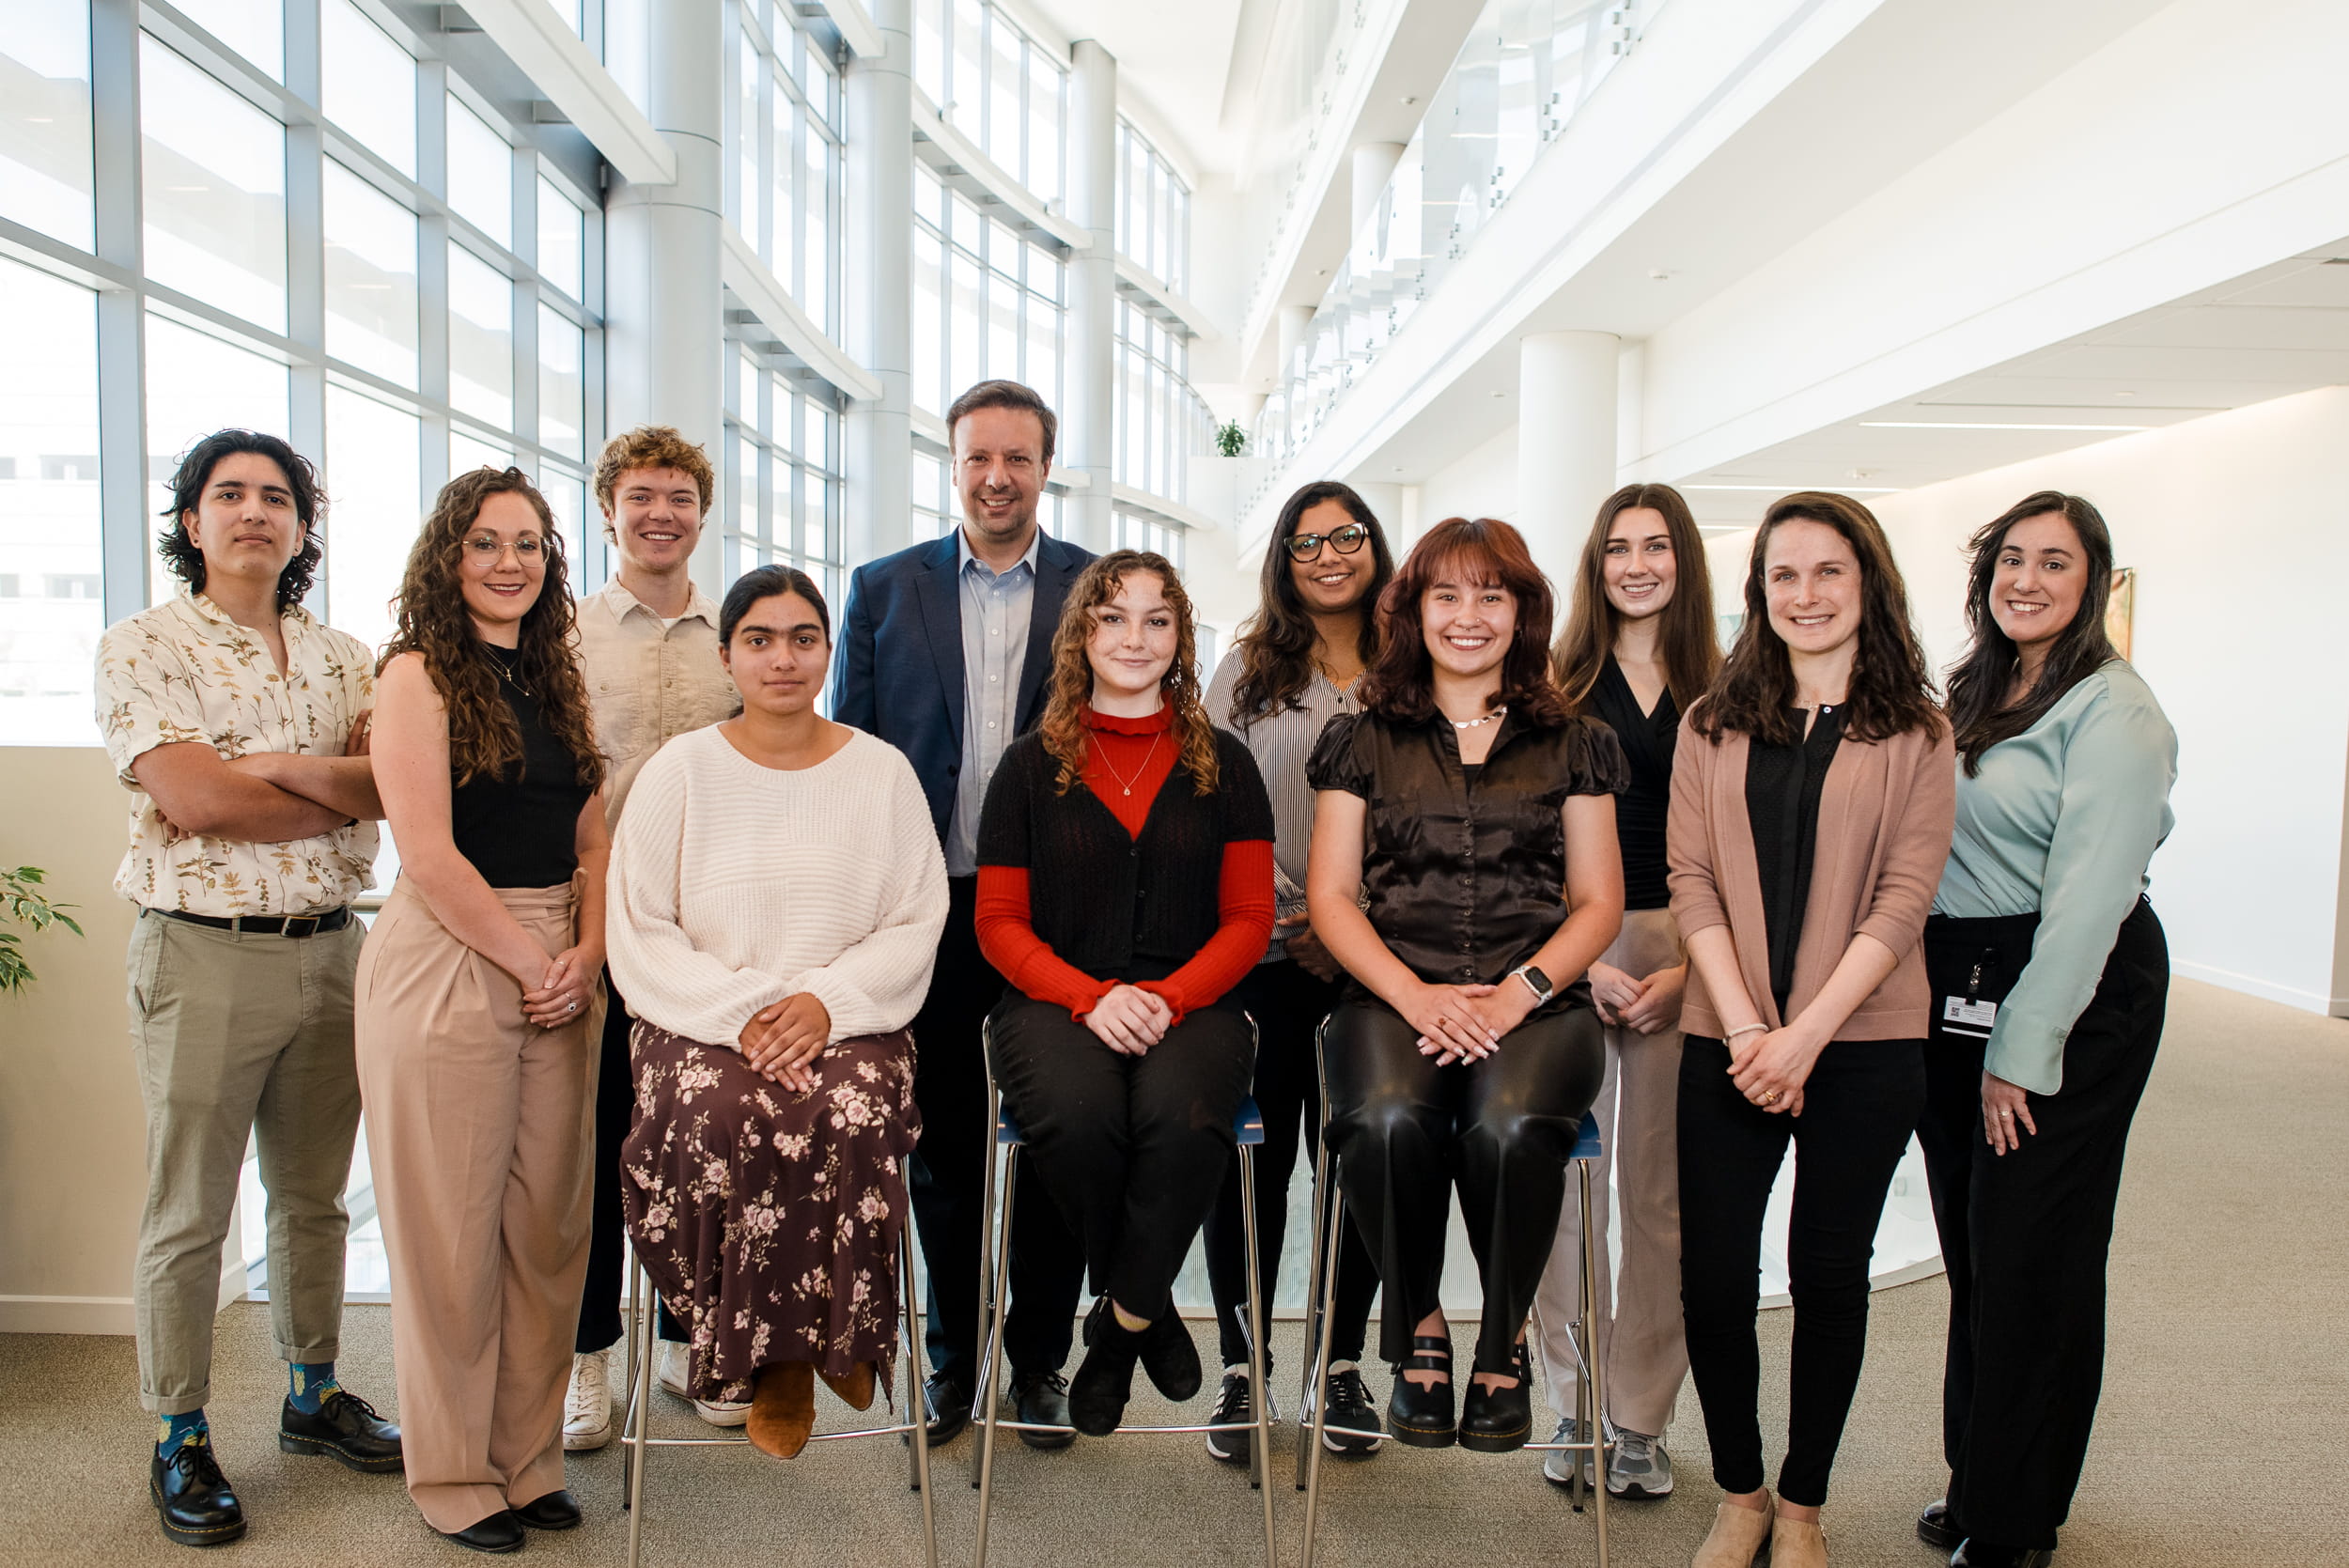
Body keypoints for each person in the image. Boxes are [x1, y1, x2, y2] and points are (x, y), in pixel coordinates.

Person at [95, 429, 402, 1548]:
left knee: (314, 1196)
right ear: (193, 521)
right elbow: (196, 799)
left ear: (304, 527)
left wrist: (266, 771)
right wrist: (325, 794)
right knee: (191, 1210)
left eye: (277, 497)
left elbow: (393, 781)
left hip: (331, 949)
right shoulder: (141, 645)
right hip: (201, 951)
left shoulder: (345, 656)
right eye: (229, 495)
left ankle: (311, 1392)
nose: (254, 513)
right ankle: (178, 1429)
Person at [1666, 491, 1954, 1568]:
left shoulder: (1918, 732)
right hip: (1725, 1037)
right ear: (1759, 592)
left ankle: (1800, 1506)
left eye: (1827, 571)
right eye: (1783, 575)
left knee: (1828, 1271)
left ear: (1866, 581)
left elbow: (1902, 897)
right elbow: (1690, 879)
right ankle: (1738, 1490)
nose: (1805, 595)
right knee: (1713, 1277)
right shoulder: (1713, 720)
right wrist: (1749, 1028)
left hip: (1865, 1045)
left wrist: (1804, 1039)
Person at [608, 566, 948, 1459]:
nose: (783, 657)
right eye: (759, 639)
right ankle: (794, 1356)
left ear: (829, 652)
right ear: (727, 655)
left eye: (804, 638)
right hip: (703, 1019)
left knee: (852, 1105)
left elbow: (917, 918)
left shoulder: (882, 772)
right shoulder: (680, 771)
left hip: (851, 1017)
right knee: (722, 1110)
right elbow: (639, 925)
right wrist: (751, 1013)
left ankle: (814, 1345)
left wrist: (823, 1004)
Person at [1304, 516, 1623, 1456]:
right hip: (1392, 993)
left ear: (1523, 611)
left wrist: (1518, 992)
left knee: (1508, 1125)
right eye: (1445, 594)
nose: (1468, 615)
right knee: (1389, 1118)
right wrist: (1416, 998)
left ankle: (1502, 1337)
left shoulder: (1575, 741)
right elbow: (1331, 895)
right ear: (1413, 611)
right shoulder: (1360, 737)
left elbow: (1598, 904)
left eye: (1492, 594)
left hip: (1539, 1000)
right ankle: (1418, 1326)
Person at [1911, 493, 2175, 1568]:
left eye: (2053, 563)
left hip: (2069, 988)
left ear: (2094, 581)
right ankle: (1979, 1478)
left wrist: (2022, 1051)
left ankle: (2017, 1521)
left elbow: (2089, 899)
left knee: (2037, 1254)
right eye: (2009, 560)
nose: (2025, 579)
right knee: (1978, 1244)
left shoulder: (2115, 711)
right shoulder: (1979, 687)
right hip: (1959, 976)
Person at [831, 380, 1092, 1446]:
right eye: (978, 457)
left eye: (1017, 459)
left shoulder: (1095, 589)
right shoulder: (884, 590)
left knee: (1055, 1140)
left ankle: (1038, 1364)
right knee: (939, 1149)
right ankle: (949, 1362)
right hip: (925, 916)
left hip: (1055, 920)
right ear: (952, 465)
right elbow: (847, 758)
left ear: (1044, 467)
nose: (997, 477)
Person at [357, 467, 609, 1553]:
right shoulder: (414, 675)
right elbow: (427, 853)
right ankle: (454, 1473)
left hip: (563, 956)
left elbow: (592, 834)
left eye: (531, 543)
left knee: (547, 1232)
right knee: (450, 1234)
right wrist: (528, 959)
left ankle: (527, 1459)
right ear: (447, 555)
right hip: (454, 955)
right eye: (486, 542)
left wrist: (587, 951)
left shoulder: (558, 676)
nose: (511, 561)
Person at [975, 551, 1277, 1436]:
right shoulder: (1028, 767)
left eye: (1157, 618)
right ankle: (1148, 1301)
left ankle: (1113, 1335)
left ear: (1182, 637)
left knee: (1186, 1119)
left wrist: (1171, 997)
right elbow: (998, 924)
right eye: (1113, 616)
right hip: (1051, 1003)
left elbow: (1250, 918)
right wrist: (1090, 997)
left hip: (1199, 1001)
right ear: (1082, 635)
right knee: (1075, 1114)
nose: (1135, 637)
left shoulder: (1228, 765)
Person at [1199, 480, 1392, 1465]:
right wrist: (1298, 912)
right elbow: (1216, 804)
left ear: (1373, 545)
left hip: (1382, 965)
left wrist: (1354, 922)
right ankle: (1243, 1368)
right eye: (1306, 540)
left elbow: (1446, 813)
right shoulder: (1243, 668)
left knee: (1359, 1164)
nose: (1328, 553)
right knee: (1254, 1165)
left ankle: (1342, 1364)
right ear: (1281, 556)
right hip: (1264, 955)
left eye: (1346, 535)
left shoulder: (1415, 664)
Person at [1534, 482, 1719, 1497]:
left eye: (1656, 547)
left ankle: (1639, 1414)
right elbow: (1523, 840)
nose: (1636, 565)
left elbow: (1752, 857)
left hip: (1696, 951)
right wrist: (1580, 956)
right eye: (1617, 549)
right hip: (1574, 943)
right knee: (1565, 1183)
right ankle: (1570, 1398)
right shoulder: (1555, 686)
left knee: (1661, 1197)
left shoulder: (1735, 690)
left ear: (1683, 562)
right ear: (1595, 567)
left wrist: (1691, 971)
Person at [563, 427, 743, 1451]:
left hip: (713, 931)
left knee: (695, 1145)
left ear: (701, 512)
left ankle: (689, 1339)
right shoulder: (569, 634)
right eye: (641, 496)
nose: (660, 512)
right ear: (609, 509)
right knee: (591, 1147)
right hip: (599, 917)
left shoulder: (738, 633)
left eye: (678, 495)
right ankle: (588, 1360)